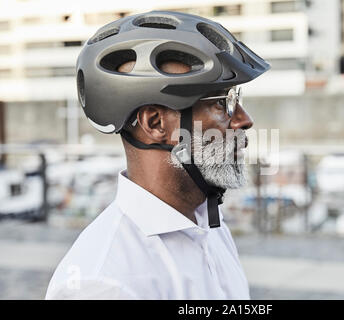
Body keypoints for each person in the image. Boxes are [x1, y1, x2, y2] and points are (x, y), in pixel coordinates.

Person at [45, 10, 270, 299]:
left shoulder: (209, 225)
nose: (243, 119)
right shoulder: (105, 282)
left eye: (237, 99)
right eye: (223, 102)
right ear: (155, 124)